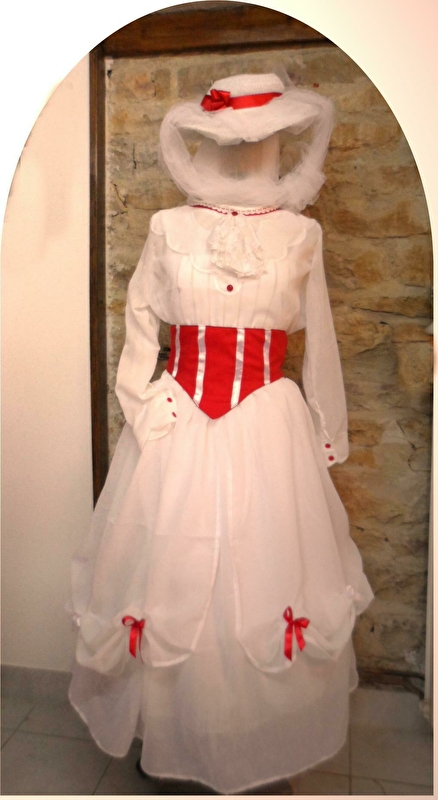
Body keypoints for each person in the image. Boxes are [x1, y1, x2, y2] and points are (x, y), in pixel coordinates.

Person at [67, 71, 375, 795]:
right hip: (178, 422)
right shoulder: (168, 229)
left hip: (266, 425)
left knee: (259, 577)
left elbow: (321, 339)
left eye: (257, 142)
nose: (244, 154)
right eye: (231, 142)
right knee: (173, 575)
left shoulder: (301, 234)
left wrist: (328, 429)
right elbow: (140, 318)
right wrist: (140, 403)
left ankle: (252, 749)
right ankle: (176, 740)